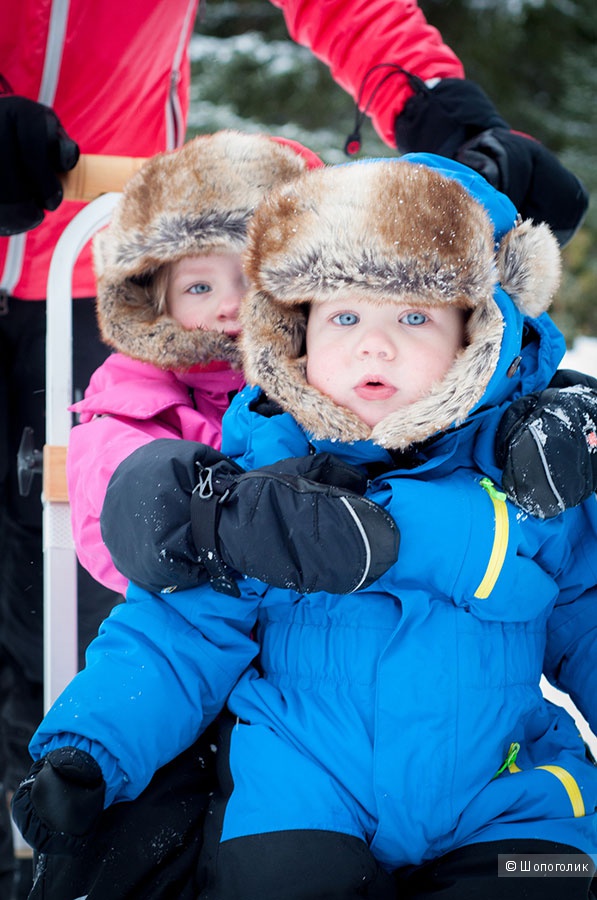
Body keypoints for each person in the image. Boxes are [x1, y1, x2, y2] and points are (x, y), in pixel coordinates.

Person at [1, 2, 594, 894]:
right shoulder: (256, 458)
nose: (374, 346)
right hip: (302, 790)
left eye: (414, 319)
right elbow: (172, 624)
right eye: (346, 317)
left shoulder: (521, 466)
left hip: (501, 798)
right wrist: (90, 748)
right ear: (301, 333)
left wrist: (445, 110)